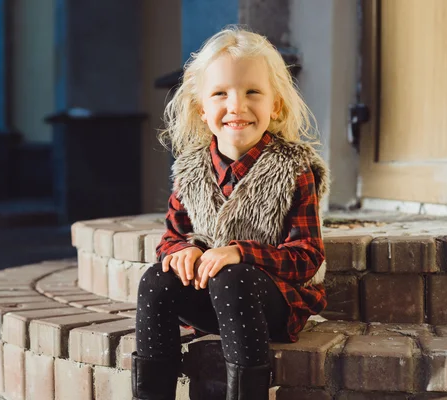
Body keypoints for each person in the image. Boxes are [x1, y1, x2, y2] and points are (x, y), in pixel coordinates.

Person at [131, 25, 329, 400]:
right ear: (202, 109)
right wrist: (181, 252)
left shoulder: (294, 169)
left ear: (276, 105)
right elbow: (170, 239)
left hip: (274, 302)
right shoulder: (190, 170)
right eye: (220, 93)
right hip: (213, 300)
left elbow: (307, 257)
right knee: (156, 279)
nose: (236, 105)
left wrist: (241, 252)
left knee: (233, 277)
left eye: (252, 92)